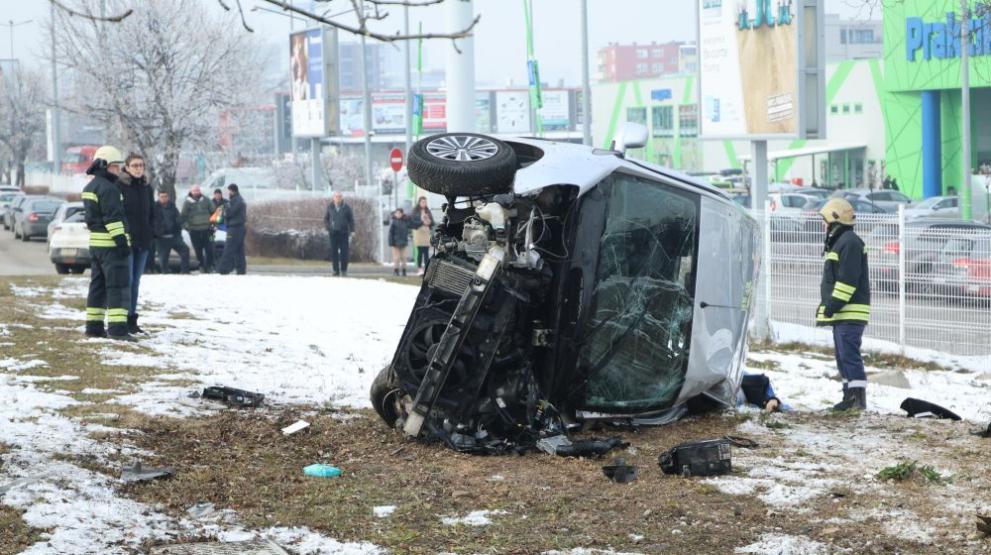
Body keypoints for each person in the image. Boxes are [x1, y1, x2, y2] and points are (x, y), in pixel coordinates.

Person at [816, 198, 871, 411]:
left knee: (849, 356)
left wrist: (831, 306)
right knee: (843, 358)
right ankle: (849, 398)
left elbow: (847, 282)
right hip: (843, 314)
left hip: (848, 312)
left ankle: (857, 401)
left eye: (825, 220)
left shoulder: (849, 243)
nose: (823, 225)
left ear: (834, 220)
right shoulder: (842, 242)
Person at [81, 145, 133, 341]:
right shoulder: (109, 189)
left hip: (96, 247)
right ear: (104, 166)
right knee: (117, 287)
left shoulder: (90, 187)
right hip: (112, 247)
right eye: (115, 166)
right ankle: (118, 330)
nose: (118, 170)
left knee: (98, 287)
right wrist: (122, 243)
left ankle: (93, 327)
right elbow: (113, 219)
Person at [116, 153, 155, 334]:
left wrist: (153, 232)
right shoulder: (120, 186)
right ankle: (121, 318)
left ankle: (132, 319)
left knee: (136, 282)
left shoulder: (147, 187)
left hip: (144, 241)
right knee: (127, 280)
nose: (138, 168)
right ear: (127, 167)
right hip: (127, 241)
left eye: (141, 165)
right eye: (135, 165)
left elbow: (152, 213)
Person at [153, 190, 190, 274]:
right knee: (163, 258)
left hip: (174, 236)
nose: (164, 198)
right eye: (162, 197)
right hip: (161, 237)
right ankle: (165, 272)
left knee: (185, 250)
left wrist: (180, 227)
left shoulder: (172, 207)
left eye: (165, 196)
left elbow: (178, 219)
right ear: (158, 197)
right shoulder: (154, 207)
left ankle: (185, 271)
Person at [181, 185, 215, 272]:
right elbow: (183, 217)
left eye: (198, 190)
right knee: (198, 250)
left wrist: (213, 225)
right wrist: (188, 227)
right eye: (195, 191)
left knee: (210, 249)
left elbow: (214, 212)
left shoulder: (206, 200)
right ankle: (201, 266)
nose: (196, 192)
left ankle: (210, 266)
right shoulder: (187, 202)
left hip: (207, 229)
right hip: (194, 231)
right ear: (191, 192)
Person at [217, 183, 247, 275]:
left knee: (228, 249)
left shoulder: (236, 201)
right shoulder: (239, 200)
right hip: (239, 228)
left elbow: (229, 213)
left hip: (235, 228)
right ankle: (241, 270)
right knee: (239, 250)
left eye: (229, 191)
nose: (228, 193)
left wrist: (225, 210)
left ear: (233, 191)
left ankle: (223, 269)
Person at [323, 191, 355, 277]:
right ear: (333, 198)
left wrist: (352, 231)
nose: (338, 198)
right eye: (336, 197)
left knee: (344, 252)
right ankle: (335, 270)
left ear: (342, 198)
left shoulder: (346, 207)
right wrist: (328, 227)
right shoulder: (330, 207)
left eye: (339, 197)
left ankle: (344, 270)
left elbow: (351, 220)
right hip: (333, 233)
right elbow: (326, 219)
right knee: (334, 253)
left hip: (343, 233)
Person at [411, 196, 434, 276]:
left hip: (426, 233)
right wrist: (422, 222)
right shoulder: (415, 211)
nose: (424, 203)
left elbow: (432, 223)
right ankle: (419, 269)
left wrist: (429, 221)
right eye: (422, 202)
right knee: (420, 252)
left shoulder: (428, 211)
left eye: (425, 202)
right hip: (418, 232)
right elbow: (413, 222)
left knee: (426, 253)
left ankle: (427, 269)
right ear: (419, 202)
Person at [388, 207, 411, 276]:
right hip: (395, 243)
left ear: (402, 214)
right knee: (396, 258)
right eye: (396, 213)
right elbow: (390, 233)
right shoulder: (393, 222)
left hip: (404, 242)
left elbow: (409, 227)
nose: (398, 214)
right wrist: (391, 242)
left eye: (399, 213)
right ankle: (396, 270)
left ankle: (404, 271)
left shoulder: (405, 221)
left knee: (404, 258)